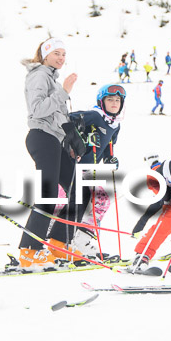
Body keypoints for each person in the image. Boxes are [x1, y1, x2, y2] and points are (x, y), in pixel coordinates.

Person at [17, 37, 84, 269]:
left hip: (56, 139)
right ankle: (29, 251)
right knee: (49, 194)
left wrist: (71, 136)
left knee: (73, 190)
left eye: (64, 54)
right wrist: (64, 91)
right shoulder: (39, 75)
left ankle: (58, 244)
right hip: (42, 137)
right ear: (45, 55)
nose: (61, 58)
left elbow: (56, 113)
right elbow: (37, 110)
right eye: (56, 53)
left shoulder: (52, 79)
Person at [49, 84, 126, 260]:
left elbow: (109, 147)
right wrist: (78, 135)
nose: (114, 103)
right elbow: (67, 120)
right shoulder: (95, 115)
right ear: (101, 101)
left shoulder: (115, 124)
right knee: (63, 202)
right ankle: (50, 240)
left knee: (102, 199)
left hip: (88, 169)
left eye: (117, 100)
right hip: (70, 166)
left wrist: (109, 159)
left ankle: (82, 239)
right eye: (110, 100)